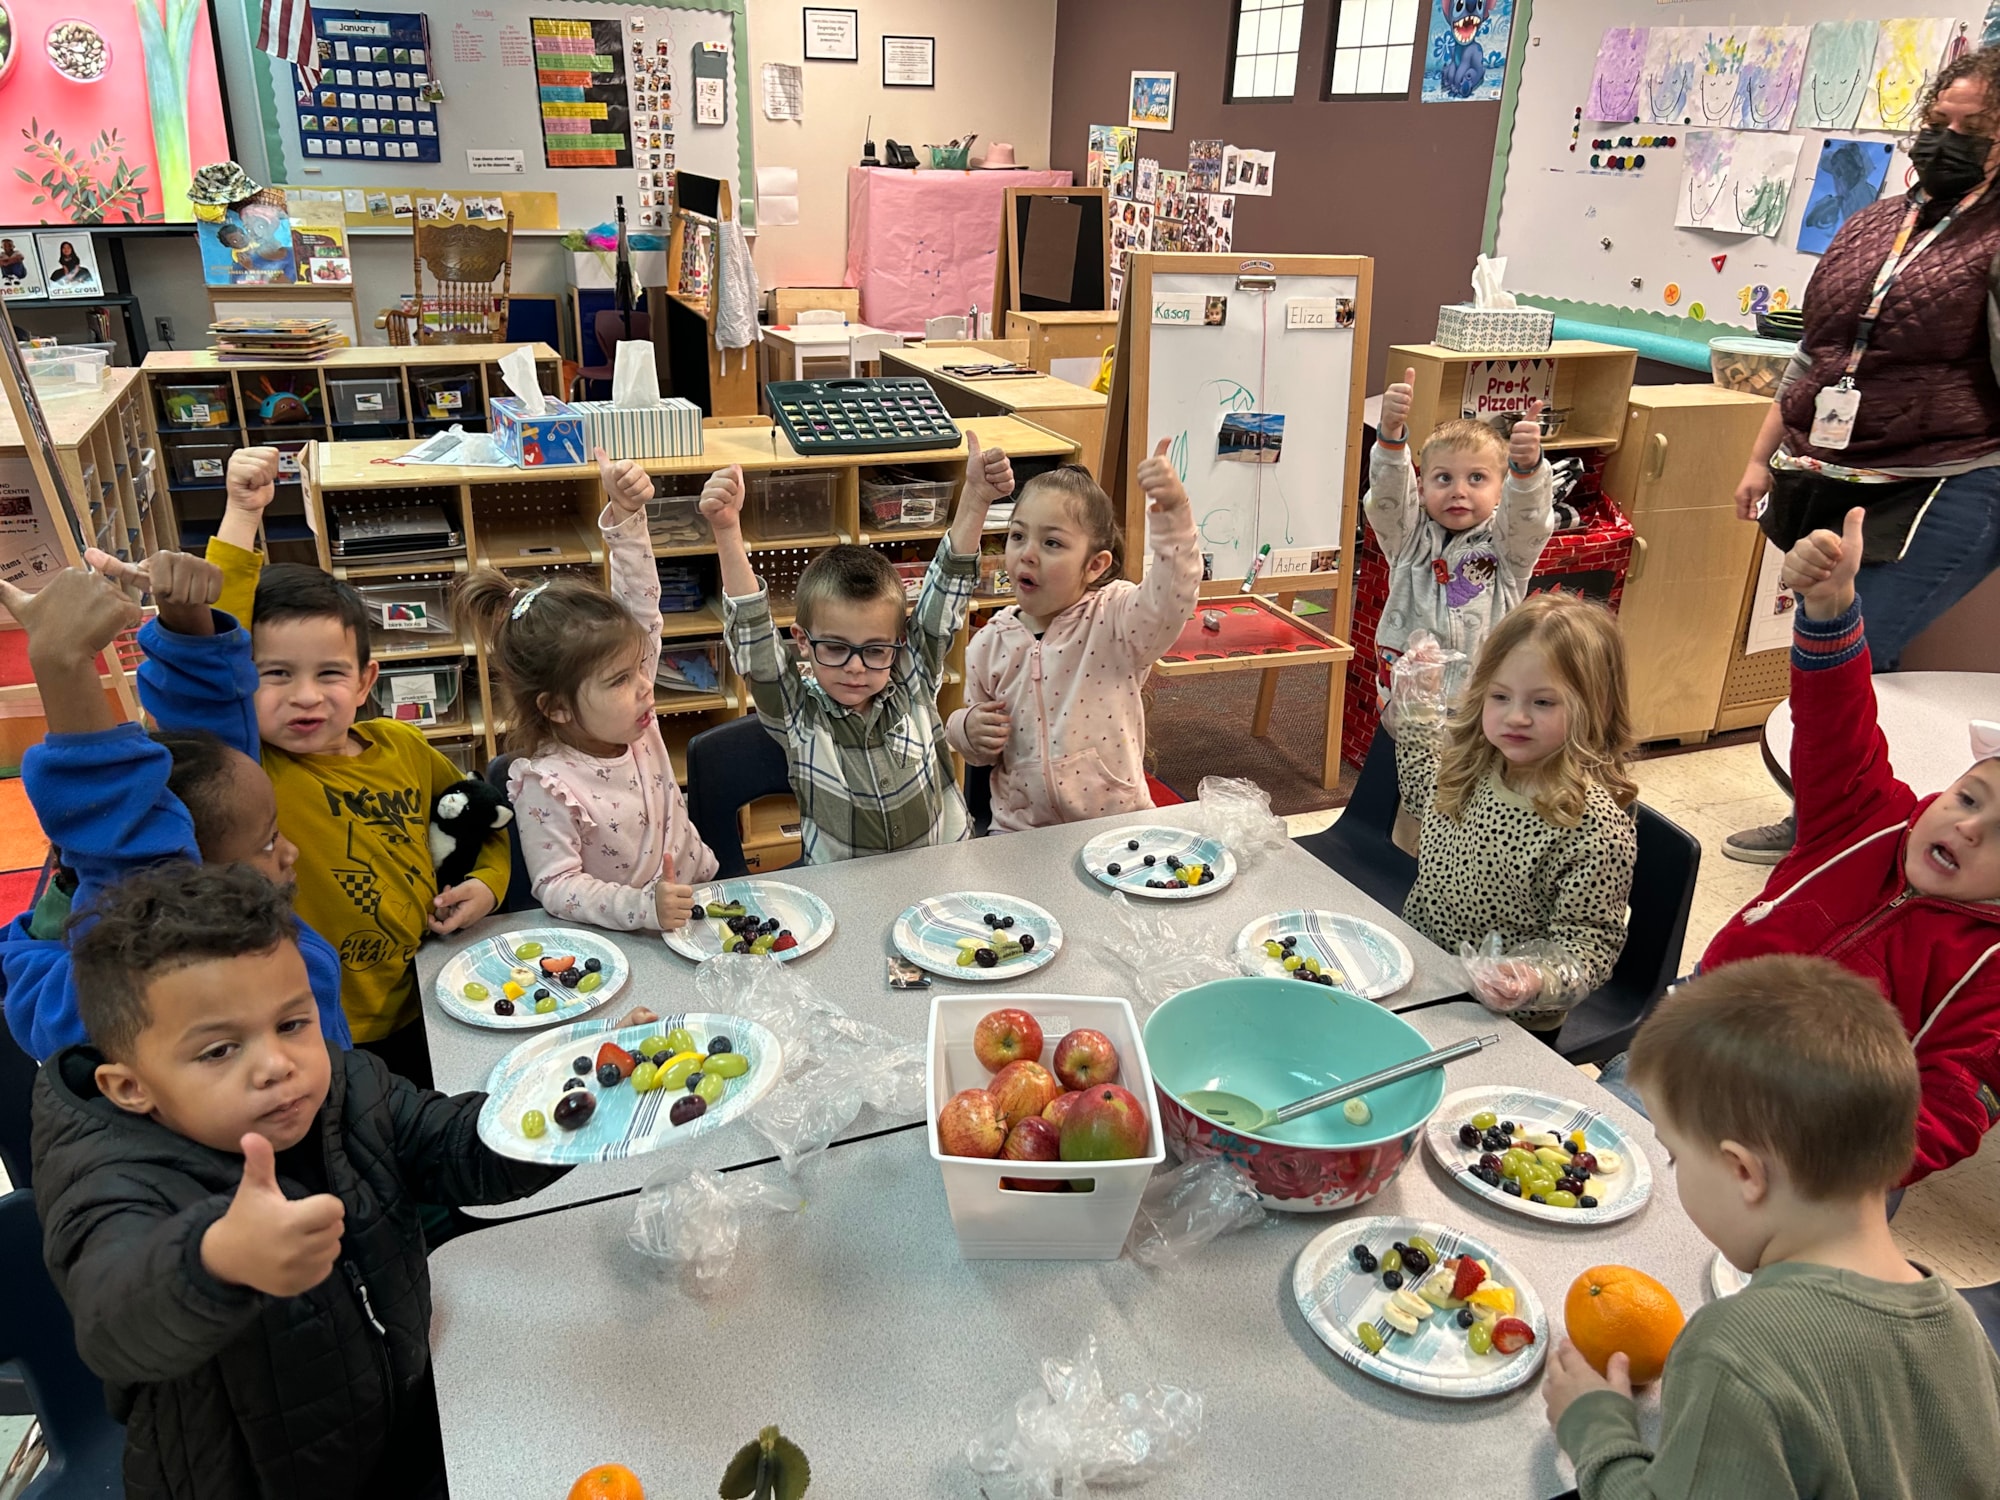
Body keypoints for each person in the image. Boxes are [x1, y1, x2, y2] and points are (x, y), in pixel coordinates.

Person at [30, 862, 569, 1500]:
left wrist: (572, 1101)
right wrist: (216, 1261)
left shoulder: (348, 1087)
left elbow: (456, 1147)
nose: (277, 1065)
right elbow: (114, 1322)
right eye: (219, 1050)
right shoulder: (109, 1176)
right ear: (130, 1087)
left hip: (393, 1423)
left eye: (292, 1024)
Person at [107, 457, 510, 1087]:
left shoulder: (402, 746)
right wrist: (242, 514)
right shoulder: (248, 768)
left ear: (366, 682)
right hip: (320, 1030)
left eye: (329, 674)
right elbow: (214, 653)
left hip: (431, 997)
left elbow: (483, 817)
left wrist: (487, 885)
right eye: (275, 675)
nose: (305, 697)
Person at [1544, 955, 2000, 1499]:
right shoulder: (1961, 1324)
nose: (1675, 1177)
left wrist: (1596, 1430)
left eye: (1675, 1159)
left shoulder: (1733, 1350)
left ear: (1743, 1172)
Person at [1727, 47, 2000, 864]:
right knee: (1839, 647)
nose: (1945, 141)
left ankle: (1829, 826)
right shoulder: (1876, 222)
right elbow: (1816, 355)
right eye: (1937, 123)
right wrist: (1758, 457)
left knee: (1851, 642)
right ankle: (1839, 815)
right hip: (1835, 470)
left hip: (1950, 479)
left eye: (1972, 129)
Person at [1699, 508, 2000, 1182]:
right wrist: (1831, 607)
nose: (1969, 827)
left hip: (1815, 1145)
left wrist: (1833, 1173)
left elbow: (1951, 1104)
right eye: (1969, 797)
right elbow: (1836, 718)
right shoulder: (1869, 814)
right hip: (1701, 1044)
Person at [0, 554, 350, 1059]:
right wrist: (62, 661)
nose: (289, 852)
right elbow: (136, 873)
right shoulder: (135, 985)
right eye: (269, 841)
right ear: (189, 882)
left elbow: (222, 770)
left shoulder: (231, 906)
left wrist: (189, 628)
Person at [703, 433, 1013, 861]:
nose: (855, 668)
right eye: (835, 648)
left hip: (942, 872)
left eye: (874, 650)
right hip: (845, 893)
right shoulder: (799, 716)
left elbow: (945, 594)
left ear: (899, 644)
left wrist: (977, 498)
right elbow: (756, 645)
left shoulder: (912, 678)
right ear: (803, 643)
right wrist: (726, 530)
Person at [453, 450, 717, 929]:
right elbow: (556, 886)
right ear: (555, 708)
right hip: (623, 941)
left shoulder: (632, 720)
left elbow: (642, 611)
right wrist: (642, 909)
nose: (645, 687)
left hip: (696, 906)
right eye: (620, 679)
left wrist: (625, 516)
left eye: (640, 668)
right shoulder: (547, 784)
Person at [1392, 593, 1638, 1031]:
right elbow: (1419, 793)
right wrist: (1418, 706)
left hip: (1504, 1017)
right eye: (1500, 696)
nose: (1516, 717)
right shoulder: (1474, 765)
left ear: (1595, 707)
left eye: (1543, 702)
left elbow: (1590, 945)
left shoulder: (1593, 827)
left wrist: (1533, 979)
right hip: (1423, 971)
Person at [944, 442, 1200, 830]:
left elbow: (1172, 596)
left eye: (1052, 543)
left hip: (1116, 824)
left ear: (1095, 565)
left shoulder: (1116, 620)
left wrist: (1174, 516)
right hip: (1018, 833)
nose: (1027, 554)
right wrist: (965, 729)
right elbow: (978, 751)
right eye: (1017, 536)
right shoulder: (988, 642)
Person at [1365, 368, 1554, 709]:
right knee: (1403, 763)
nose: (1459, 492)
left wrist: (1527, 472)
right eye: (1444, 478)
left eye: (1477, 478)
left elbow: (1530, 521)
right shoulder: (1409, 539)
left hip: (1480, 705)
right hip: (1407, 702)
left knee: (1470, 764)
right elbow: (1387, 499)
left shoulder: (1506, 548)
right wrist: (1391, 439)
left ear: (1501, 492)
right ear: (1421, 488)